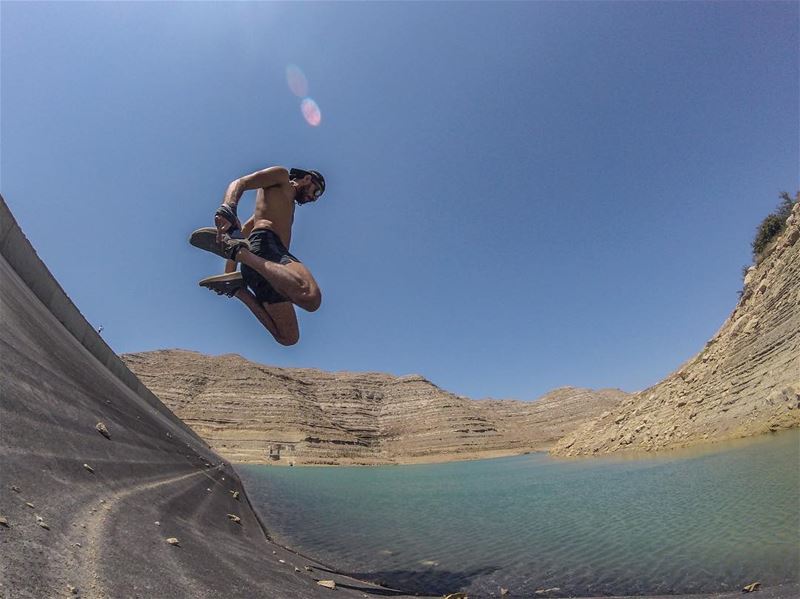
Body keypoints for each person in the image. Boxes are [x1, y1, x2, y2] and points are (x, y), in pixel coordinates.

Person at [194, 166, 326, 346]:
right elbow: (241, 182)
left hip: (267, 265)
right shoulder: (281, 177)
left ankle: (238, 290)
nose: (313, 198)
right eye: (316, 191)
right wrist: (228, 207)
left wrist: (228, 274)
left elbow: (246, 229)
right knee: (310, 297)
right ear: (307, 179)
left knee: (288, 338)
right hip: (266, 246)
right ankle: (241, 254)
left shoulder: (283, 205)